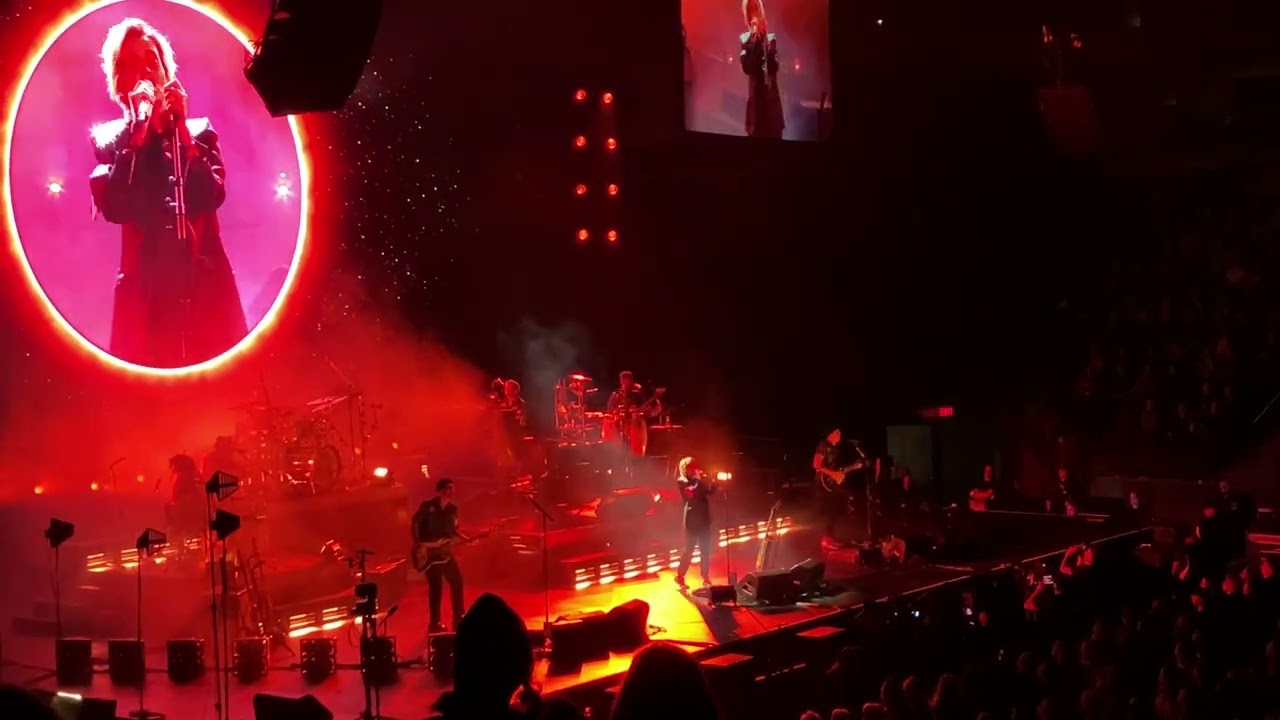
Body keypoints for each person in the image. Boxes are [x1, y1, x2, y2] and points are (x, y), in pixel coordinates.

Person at [90, 18, 246, 367]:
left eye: (152, 60)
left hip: (204, 286)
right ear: (119, 81)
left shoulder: (199, 132)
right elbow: (116, 206)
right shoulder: (111, 141)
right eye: (131, 64)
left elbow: (211, 195)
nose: (145, 71)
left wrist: (184, 138)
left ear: (166, 71)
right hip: (147, 296)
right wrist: (135, 137)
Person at [411, 478, 468, 632]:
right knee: (436, 586)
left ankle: (459, 618)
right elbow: (415, 523)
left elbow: (454, 531)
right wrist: (419, 545)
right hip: (430, 553)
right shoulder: (427, 506)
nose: (450, 491)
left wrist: (468, 539)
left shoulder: (452, 509)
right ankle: (434, 623)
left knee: (457, 580)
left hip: (444, 553)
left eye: (452, 488)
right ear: (440, 490)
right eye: (447, 488)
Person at [739, 0, 784, 139]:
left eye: (756, 8)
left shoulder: (771, 38)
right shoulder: (745, 39)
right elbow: (748, 68)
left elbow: (774, 67)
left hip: (771, 105)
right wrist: (754, 38)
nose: (754, 13)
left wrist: (764, 40)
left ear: (761, 11)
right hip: (756, 108)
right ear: (746, 14)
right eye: (750, 10)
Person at [675, 456, 717, 588]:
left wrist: (713, 481)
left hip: (704, 518)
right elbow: (690, 495)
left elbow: (709, 492)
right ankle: (680, 576)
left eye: (695, 466)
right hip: (692, 519)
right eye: (691, 467)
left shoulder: (699, 480)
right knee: (689, 549)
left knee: (705, 549)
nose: (694, 469)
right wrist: (699, 480)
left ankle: (705, 576)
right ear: (685, 469)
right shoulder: (682, 481)